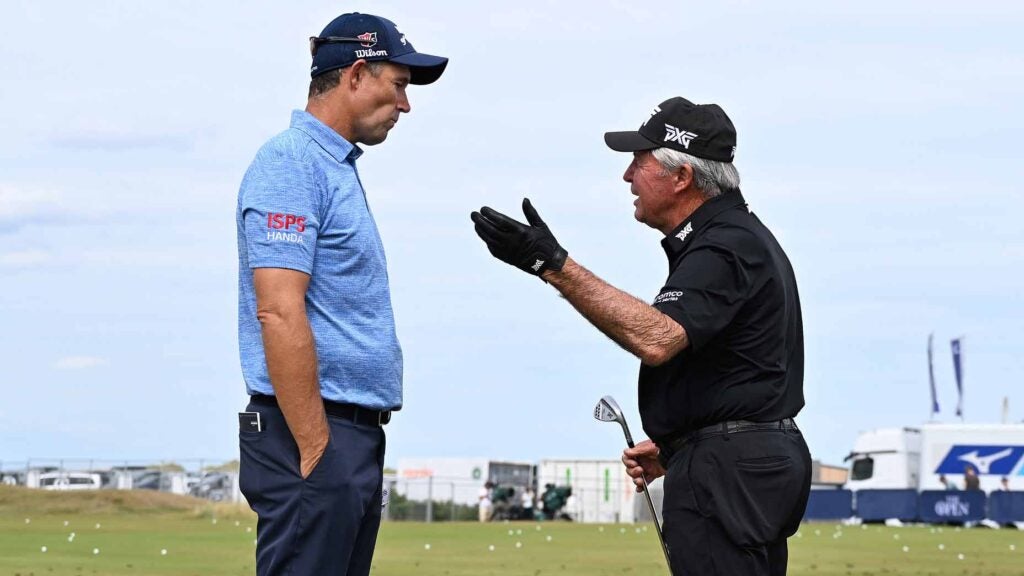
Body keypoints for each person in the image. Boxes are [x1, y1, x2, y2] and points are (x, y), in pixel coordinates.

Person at [471, 97, 810, 575]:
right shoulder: (738, 236)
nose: (627, 176)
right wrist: (679, 443)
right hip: (744, 459)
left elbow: (658, 338)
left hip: (728, 470)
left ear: (681, 177)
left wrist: (551, 264)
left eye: (639, 161)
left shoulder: (724, 244)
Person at [235, 12, 447, 576]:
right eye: (398, 84)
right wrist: (317, 448)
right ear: (356, 76)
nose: (405, 105)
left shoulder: (333, 167)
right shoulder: (290, 162)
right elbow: (278, 310)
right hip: (311, 431)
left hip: (345, 435)